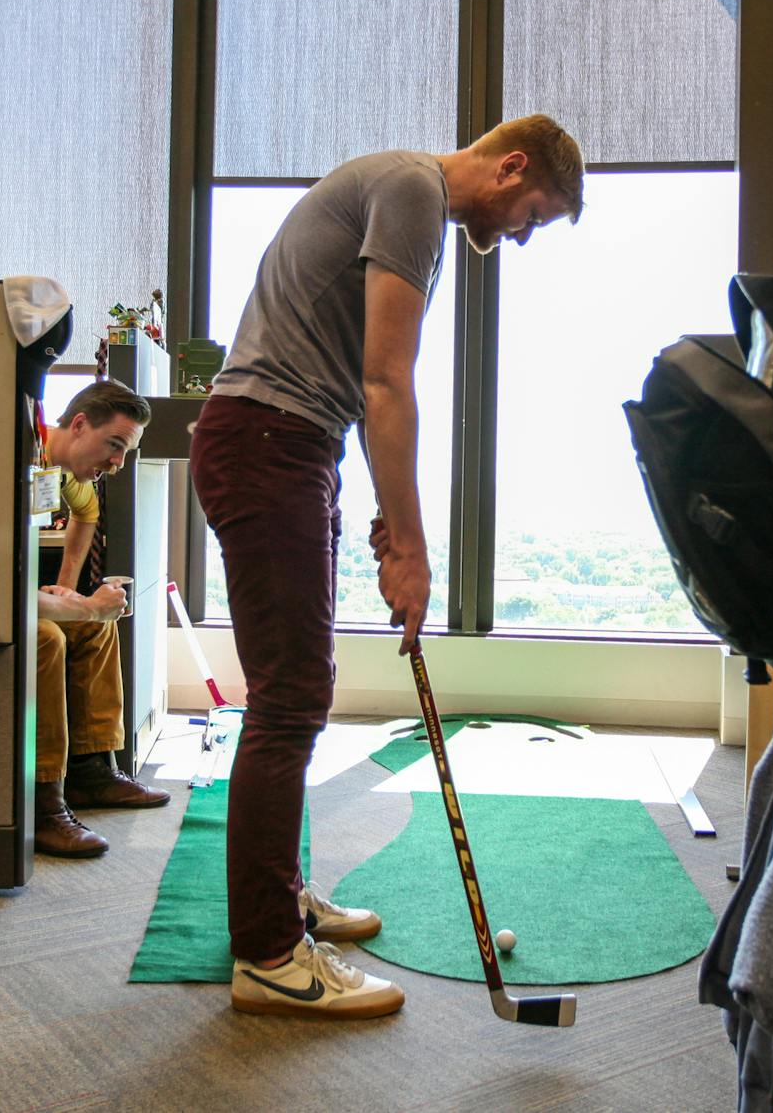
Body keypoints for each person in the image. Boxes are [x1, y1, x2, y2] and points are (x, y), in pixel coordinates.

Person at [189, 115, 584, 1018]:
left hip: (291, 441)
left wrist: (375, 504)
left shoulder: (405, 191)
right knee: (290, 697)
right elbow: (386, 383)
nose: (518, 237)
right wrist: (409, 542)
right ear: (511, 165)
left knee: (296, 688)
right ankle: (268, 954)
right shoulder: (415, 191)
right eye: (530, 215)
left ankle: (279, 895)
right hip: (270, 440)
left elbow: (358, 384)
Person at [33, 378, 169, 858]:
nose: (118, 461)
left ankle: (92, 772)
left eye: (126, 451)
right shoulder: (19, 455)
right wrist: (85, 604)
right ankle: (44, 805)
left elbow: (85, 514)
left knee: (93, 627)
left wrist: (69, 587)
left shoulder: (66, 472)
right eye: (114, 445)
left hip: (11, 590)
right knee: (48, 637)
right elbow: (3, 596)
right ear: (78, 424)